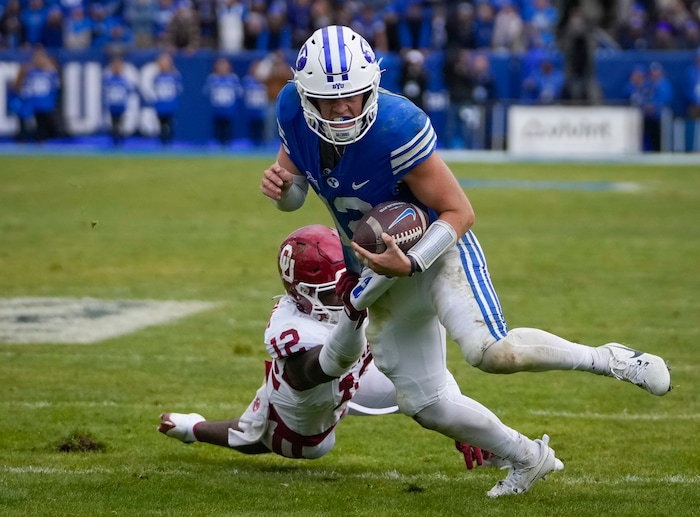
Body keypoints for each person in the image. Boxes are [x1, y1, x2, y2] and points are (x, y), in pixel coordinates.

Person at [260, 25, 672, 497]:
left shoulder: (396, 125)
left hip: (437, 248)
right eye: (329, 100)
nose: (343, 109)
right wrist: (281, 190)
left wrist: (412, 264)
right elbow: (293, 192)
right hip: (377, 272)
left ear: (371, 86)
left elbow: (461, 212)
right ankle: (528, 457)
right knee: (425, 403)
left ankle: (611, 359)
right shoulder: (292, 108)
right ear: (305, 96)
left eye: (353, 96)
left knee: (491, 352)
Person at [158, 224, 401, 458]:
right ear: (302, 292)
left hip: (357, 375)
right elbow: (329, 366)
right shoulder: (294, 330)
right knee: (271, 436)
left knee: (427, 392)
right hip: (307, 415)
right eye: (331, 291)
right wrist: (354, 312)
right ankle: (194, 429)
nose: (343, 294)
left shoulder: (338, 288)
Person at [203, 57, 242, 147]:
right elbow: (206, 92)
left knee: (227, 127)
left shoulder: (233, 78)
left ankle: (227, 145)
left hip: (229, 108)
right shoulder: (212, 78)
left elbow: (239, 92)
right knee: (218, 127)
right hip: (217, 108)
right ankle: (218, 144)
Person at [151, 52, 182, 146]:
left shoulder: (174, 76)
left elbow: (178, 89)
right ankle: (163, 143)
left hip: (170, 104)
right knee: (161, 125)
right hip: (161, 104)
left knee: (169, 124)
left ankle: (169, 143)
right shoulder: (157, 76)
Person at [102, 55, 134, 146]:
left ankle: (120, 141)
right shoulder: (109, 80)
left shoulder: (123, 80)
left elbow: (128, 93)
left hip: (120, 105)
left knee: (120, 125)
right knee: (114, 124)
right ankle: (115, 141)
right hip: (113, 105)